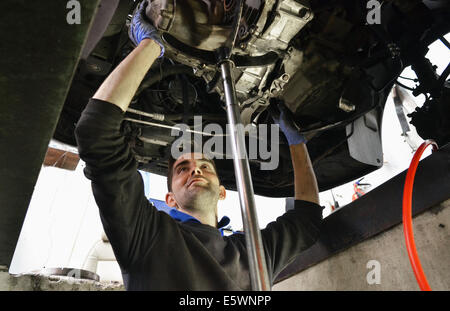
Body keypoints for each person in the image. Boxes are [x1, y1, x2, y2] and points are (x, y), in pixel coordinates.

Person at [74, 1, 322, 290]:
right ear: (170, 200)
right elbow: (94, 132)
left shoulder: (253, 252)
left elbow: (306, 221)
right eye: (182, 168)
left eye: (204, 166)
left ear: (221, 192)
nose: (196, 171)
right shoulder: (147, 235)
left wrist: (296, 141)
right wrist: (152, 43)